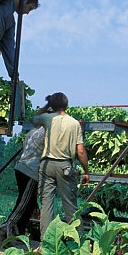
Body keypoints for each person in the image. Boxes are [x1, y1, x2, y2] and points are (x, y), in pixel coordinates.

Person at [33, 92, 89, 238]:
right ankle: (77, 240)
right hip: (65, 166)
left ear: (53, 106)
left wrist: (47, 105)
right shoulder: (74, 123)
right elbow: (81, 151)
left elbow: (34, 119)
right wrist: (86, 171)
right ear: (67, 105)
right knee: (70, 205)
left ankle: (46, 242)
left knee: (46, 204)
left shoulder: (47, 118)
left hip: (47, 165)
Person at [0, 125, 46, 245]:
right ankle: (3, 231)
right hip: (31, 171)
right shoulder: (47, 132)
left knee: (30, 203)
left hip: (21, 167)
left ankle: (18, 233)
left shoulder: (33, 131)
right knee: (24, 204)